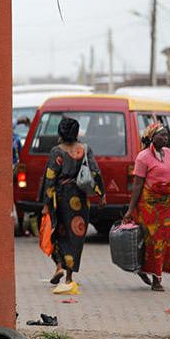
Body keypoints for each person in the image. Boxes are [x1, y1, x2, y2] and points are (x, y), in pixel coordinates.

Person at [40, 117, 105, 292]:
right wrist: (101, 194)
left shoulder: (57, 151)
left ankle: (59, 265)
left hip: (60, 199)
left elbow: (50, 178)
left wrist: (46, 204)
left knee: (57, 233)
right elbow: (95, 172)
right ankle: (68, 276)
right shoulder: (85, 149)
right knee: (75, 238)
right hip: (80, 200)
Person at [122, 123, 170, 292]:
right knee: (153, 240)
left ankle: (144, 269)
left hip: (167, 205)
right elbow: (137, 185)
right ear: (152, 137)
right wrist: (131, 210)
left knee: (165, 240)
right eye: (162, 135)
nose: (166, 138)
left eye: (167, 135)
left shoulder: (169, 153)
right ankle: (156, 280)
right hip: (149, 205)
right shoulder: (143, 157)